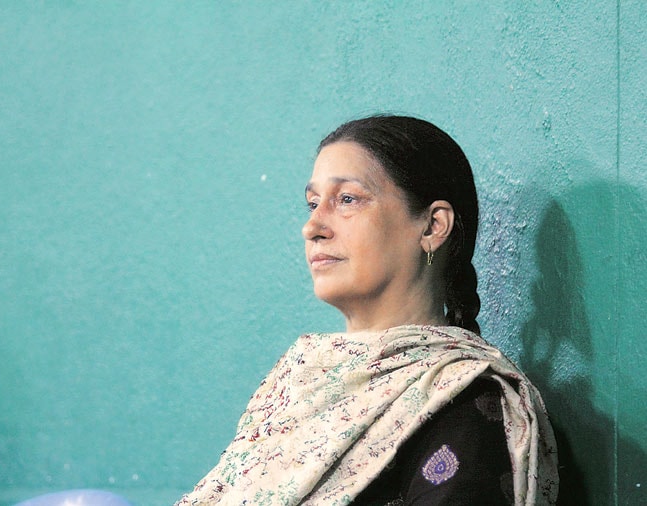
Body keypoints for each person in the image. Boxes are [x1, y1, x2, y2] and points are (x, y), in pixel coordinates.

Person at [176, 115, 558, 505]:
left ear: (431, 227)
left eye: (347, 200)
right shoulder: (295, 387)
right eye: (312, 203)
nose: (312, 226)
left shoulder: (462, 402)